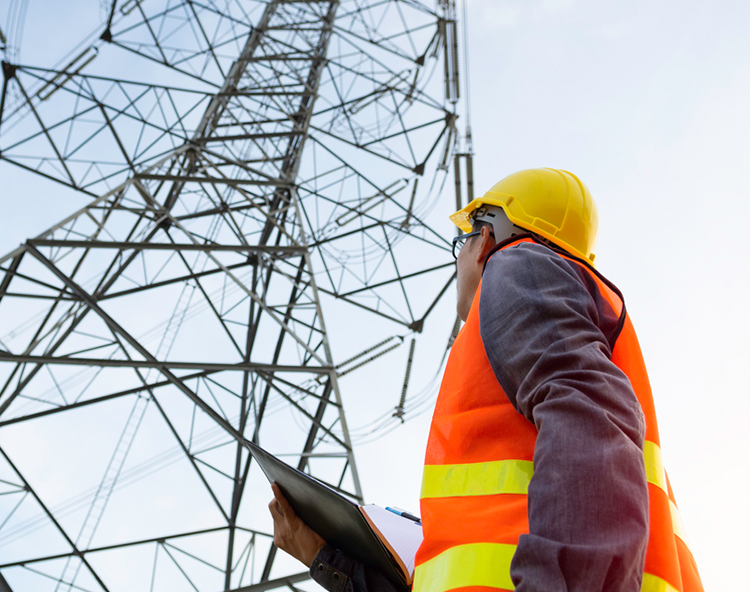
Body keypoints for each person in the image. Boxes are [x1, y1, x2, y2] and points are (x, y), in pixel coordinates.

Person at [269, 168, 704, 592]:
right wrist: (325, 558)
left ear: (487, 239)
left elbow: (591, 417)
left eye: (463, 239)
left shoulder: (518, 265)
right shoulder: (553, 310)